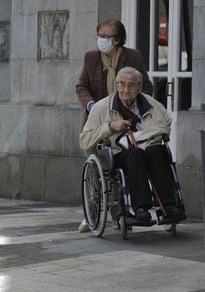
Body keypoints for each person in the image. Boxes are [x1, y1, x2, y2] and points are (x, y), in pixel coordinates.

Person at [79, 66, 185, 224]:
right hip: (118, 154)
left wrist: (141, 138)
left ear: (140, 88)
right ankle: (141, 209)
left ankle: (169, 207)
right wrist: (109, 127)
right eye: (121, 84)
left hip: (150, 149)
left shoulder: (153, 105)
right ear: (116, 85)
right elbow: (84, 140)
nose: (125, 89)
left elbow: (164, 127)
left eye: (131, 85)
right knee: (137, 155)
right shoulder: (102, 108)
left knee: (156, 151)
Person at [75, 19, 153, 232]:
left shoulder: (132, 56)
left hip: (125, 120)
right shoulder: (91, 58)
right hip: (97, 121)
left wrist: (134, 107)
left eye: (105, 36)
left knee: (120, 165)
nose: (101, 40)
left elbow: (146, 86)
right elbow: (81, 86)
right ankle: (90, 213)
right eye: (98, 35)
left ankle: (118, 213)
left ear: (117, 39)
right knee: (96, 168)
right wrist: (91, 105)